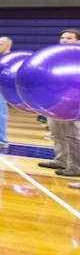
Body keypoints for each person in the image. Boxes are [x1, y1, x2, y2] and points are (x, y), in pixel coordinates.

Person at [37, 29, 80, 181]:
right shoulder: (56, 56)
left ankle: (75, 166)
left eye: (69, 38)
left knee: (72, 134)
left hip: (72, 103)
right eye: (62, 38)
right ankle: (61, 160)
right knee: (56, 132)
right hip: (55, 101)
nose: (64, 40)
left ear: (78, 41)